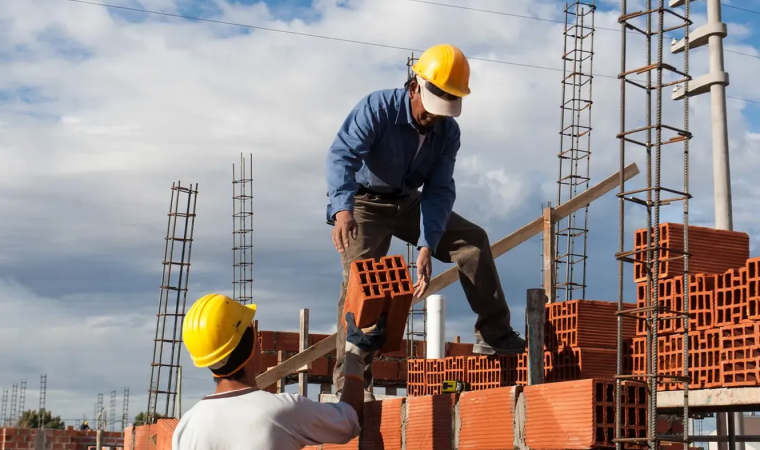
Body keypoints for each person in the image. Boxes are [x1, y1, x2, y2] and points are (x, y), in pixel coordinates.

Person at [325, 43, 527, 398]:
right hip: (364, 204)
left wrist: (426, 245)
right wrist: (343, 210)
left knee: (472, 242)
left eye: (445, 109)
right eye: (432, 107)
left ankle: (495, 336)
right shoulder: (377, 109)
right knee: (365, 281)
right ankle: (352, 379)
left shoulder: (447, 132)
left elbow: (439, 191)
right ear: (415, 85)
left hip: (408, 201)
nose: (434, 116)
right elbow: (342, 156)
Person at [171, 293, 388, 450]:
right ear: (251, 347)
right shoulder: (281, 412)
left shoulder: (186, 426)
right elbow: (348, 420)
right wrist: (355, 356)